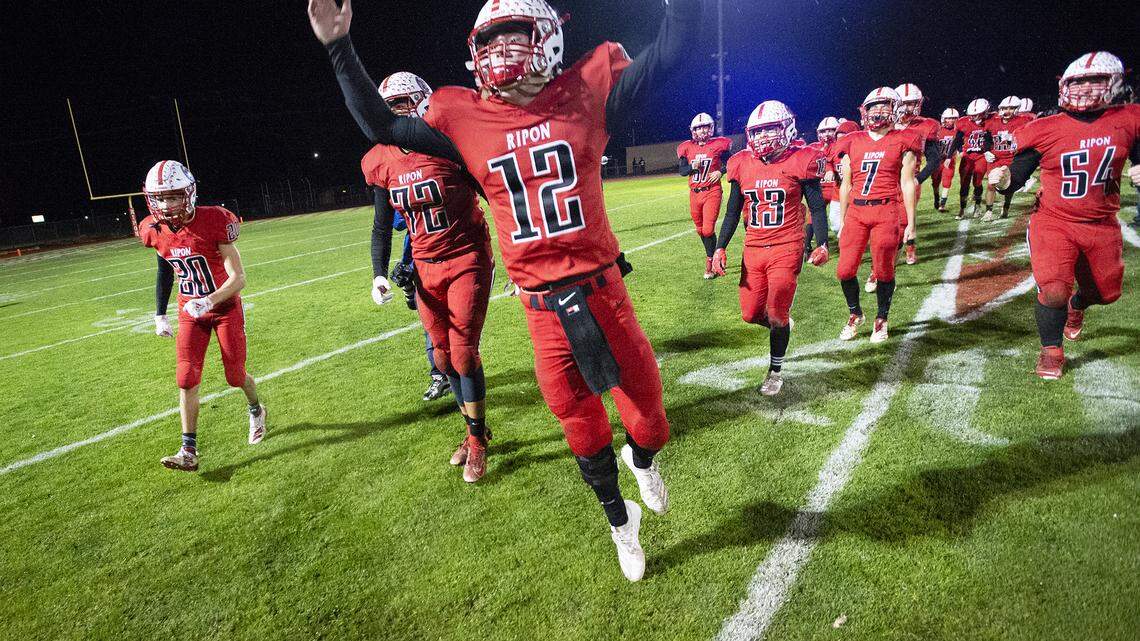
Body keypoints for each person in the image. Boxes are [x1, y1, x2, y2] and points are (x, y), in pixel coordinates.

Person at [309, 0, 701, 581]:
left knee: (651, 425)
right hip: (542, 312)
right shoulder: (465, 119)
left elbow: (671, 54)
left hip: (603, 295)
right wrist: (339, 48)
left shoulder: (586, 93)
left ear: (545, 40)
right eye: (488, 44)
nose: (498, 54)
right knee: (581, 430)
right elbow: (385, 127)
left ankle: (642, 461)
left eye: (511, 39)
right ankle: (622, 524)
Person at [361, 71, 497, 483]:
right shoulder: (379, 160)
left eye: (406, 102)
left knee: (462, 353)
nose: (399, 113)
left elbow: (493, 193)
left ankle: (476, 443)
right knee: (440, 356)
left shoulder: (448, 146)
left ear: (422, 103)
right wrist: (378, 274)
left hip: (467, 256)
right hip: (425, 266)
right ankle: (476, 429)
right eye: (392, 107)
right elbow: (382, 223)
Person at [990, 51, 1140, 380]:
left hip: (1101, 223)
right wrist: (1005, 181)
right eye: (1078, 82)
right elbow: (1018, 172)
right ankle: (1051, 350)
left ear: (1114, 83)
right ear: (1064, 86)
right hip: (1054, 220)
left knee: (1107, 293)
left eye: (1094, 81)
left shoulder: (1128, 118)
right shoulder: (1046, 127)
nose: (1085, 89)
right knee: (1054, 288)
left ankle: (1078, 307)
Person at [139, 160, 266, 472]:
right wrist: (159, 314)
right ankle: (188, 450)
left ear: (189, 193)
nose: (167, 205)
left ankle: (256, 408)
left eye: (173, 196)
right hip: (189, 312)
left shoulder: (214, 220)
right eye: (160, 198)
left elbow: (238, 279)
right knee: (186, 378)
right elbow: (163, 271)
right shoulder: (154, 230)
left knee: (235, 376)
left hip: (223, 308)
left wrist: (209, 300)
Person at [711, 101, 830, 395]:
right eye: (758, 132)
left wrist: (822, 243)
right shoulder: (741, 163)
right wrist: (719, 248)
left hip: (787, 244)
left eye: (769, 130)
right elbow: (731, 211)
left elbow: (816, 207)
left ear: (787, 128)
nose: (763, 137)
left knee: (776, 312)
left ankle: (775, 369)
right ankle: (783, 326)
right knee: (751, 314)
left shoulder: (802, 159)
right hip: (753, 245)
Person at [832, 87, 920, 343]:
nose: (877, 112)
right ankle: (855, 313)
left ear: (895, 110)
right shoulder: (853, 140)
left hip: (886, 209)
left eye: (884, 107)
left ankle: (882, 318)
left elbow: (907, 183)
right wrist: (844, 218)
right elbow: (846, 184)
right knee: (844, 270)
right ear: (864, 111)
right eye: (873, 107)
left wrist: (911, 225)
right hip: (857, 211)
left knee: (883, 271)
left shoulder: (905, 139)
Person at [677, 113, 733, 278]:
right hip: (694, 194)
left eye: (705, 127)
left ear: (711, 128)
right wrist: (692, 167)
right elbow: (682, 171)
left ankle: (711, 261)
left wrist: (720, 171)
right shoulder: (686, 147)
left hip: (711, 191)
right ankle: (714, 256)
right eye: (698, 128)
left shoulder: (718, 145)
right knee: (700, 230)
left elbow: (733, 162)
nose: (702, 130)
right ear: (693, 130)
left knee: (708, 230)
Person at [892, 83, 943, 265]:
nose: (907, 107)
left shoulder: (925, 125)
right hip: (885, 180)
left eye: (912, 103)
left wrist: (918, 179)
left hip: (909, 180)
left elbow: (935, 159)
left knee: (904, 221)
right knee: (886, 223)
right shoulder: (885, 124)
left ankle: (907, 250)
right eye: (903, 103)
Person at [981, 95, 1032, 221]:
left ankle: (1006, 208)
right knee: (991, 184)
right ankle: (989, 211)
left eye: (1011, 108)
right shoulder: (992, 122)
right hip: (995, 158)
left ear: (1017, 109)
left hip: (1011, 158)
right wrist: (986, 151)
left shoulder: (1023, 121)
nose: (1007, 111)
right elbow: (986, 139)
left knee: (1008, 185)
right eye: (1005, 108)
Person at [949, 98, 993, 219]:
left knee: (977, 181)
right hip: (968, 156)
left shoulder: (991, 121)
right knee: (964, 183)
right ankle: (962, 209)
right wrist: (949, 156)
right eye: (972, 115)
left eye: (977, 114)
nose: (974, 117)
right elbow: (957, 140)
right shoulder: (964, 123)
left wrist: (988, 150)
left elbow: (990, 138)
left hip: (981, 156)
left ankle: (977, 206)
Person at [808, 116, 841, 250]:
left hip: (836, 188)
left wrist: (830, 169)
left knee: (837, 221)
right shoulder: (814, 147)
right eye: (823, 131)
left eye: (830, 130)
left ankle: (845, 244)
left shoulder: (841, 145)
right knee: (811, 217)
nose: (826, 134)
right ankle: (807, 246)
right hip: (819, 188)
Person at [934, 108, 960, 212]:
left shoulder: (957, 132)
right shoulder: (937, 130)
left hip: (949, 160)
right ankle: (936, 198)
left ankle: (942, 204)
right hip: (937, 160)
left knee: (947, 181)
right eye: (949, 118)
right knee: (935, 181)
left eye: (953, 118)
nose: (951, 121)